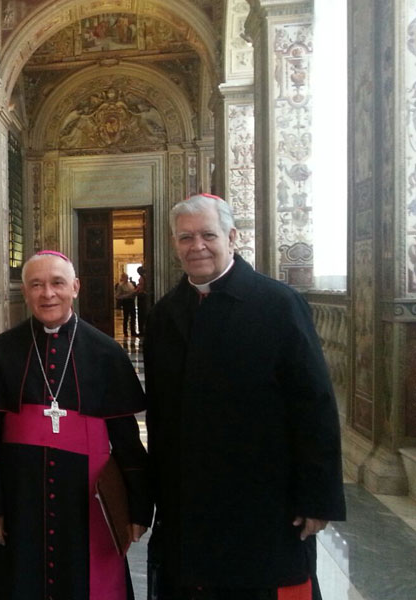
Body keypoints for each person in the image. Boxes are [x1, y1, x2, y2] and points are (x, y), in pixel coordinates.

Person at [144, 194, 345, 600]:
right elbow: (161, 415)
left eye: (207, 235)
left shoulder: (278, 303)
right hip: (189, 499)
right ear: (174, 243)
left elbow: (315, 404)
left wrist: (318, 496)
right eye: (185, 237)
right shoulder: (165, 315)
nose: (196, 246)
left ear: (232, 237)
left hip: (265, 500)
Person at [0, 250, 150, 600]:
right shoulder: (1, 351)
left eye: (57, 283)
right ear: (25, 292)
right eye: (36, 285)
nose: (47, 293)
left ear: (76, 287)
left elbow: (128, 441)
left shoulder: (106, 353)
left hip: (88, 497)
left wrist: (138, 506)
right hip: (20, 494)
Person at [114, 272, 138, 337]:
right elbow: (117, 296)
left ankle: (133, 331)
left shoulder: (130, 284)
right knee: (126, 317)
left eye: (127, 277)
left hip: (131, 302)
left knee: (133, 317)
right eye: (125, 277)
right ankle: (125, 332)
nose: (127, 278)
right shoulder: (120, 285)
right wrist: (127, 295)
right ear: (122, 278)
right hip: (126, 302)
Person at [134, 265, 149, 335]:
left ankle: (142, 330)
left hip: (141, 296)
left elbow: (140, 287)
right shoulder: (146, 278)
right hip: (144, 295)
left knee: (141, 314)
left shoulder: (142, 278)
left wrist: (134, 292)